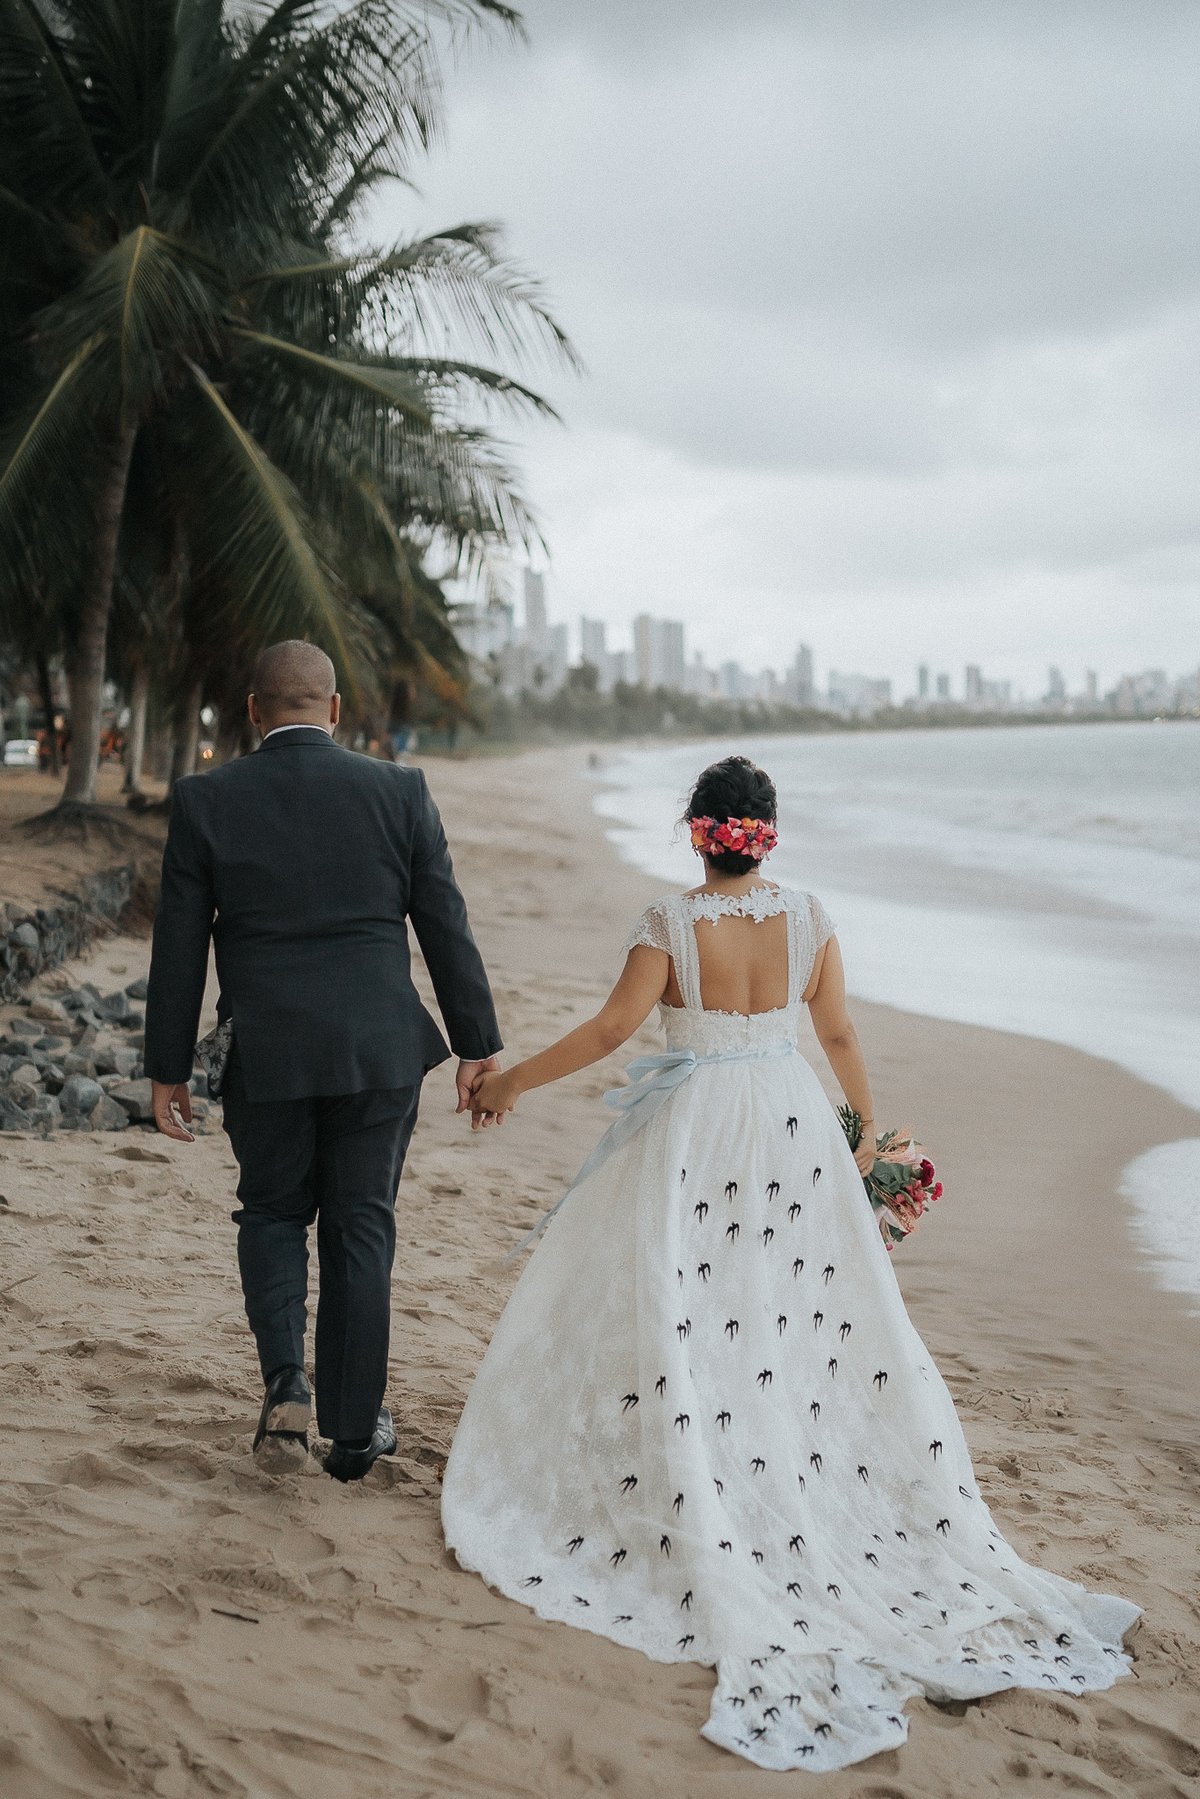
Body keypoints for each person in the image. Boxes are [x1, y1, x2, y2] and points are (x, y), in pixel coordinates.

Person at [443, 754, 1139, 1774]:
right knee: (785, 1303)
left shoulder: (669, 923)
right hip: (789, 1120)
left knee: (694, 1295)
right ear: (767, 835)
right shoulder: (810, 918)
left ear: (698, 832)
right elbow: (838, 1029)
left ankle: (709, 1441)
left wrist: (511, 1084)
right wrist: (861, 1128)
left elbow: (611, 1030)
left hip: (697, 1129)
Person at [143, 641, 502, 1480]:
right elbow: (444, 922)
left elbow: (178, 943)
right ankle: (351, 1430)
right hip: (379, 1051)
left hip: (267, 1053)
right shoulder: (400, 790)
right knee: (360, 1223)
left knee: (271, 1212)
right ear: (335, 709)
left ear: (252, 710)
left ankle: (286, 1385)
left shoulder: (206, 798)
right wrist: (476, 1043)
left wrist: (167, 1067)